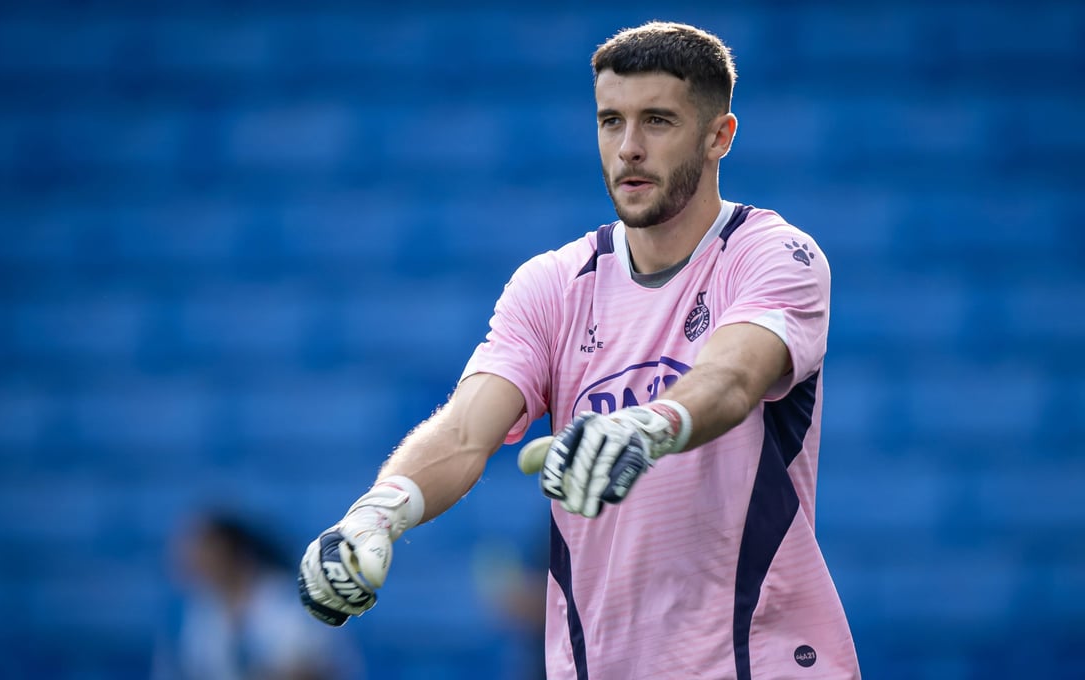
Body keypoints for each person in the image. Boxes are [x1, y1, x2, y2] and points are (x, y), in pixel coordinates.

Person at [298, 20, 861, 679]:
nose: (628, 148)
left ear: (719, 136)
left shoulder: (775, 255)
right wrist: (378, 513)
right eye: (610, 121)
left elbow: (733, 377)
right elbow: (464, 432)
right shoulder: (553, 285)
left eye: (657, 121)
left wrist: (648, 425)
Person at [154, 511, 362, 680]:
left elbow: (309, 670)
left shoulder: (289, 599)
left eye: (204, 551)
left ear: (229, 553)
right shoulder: (202, 608)